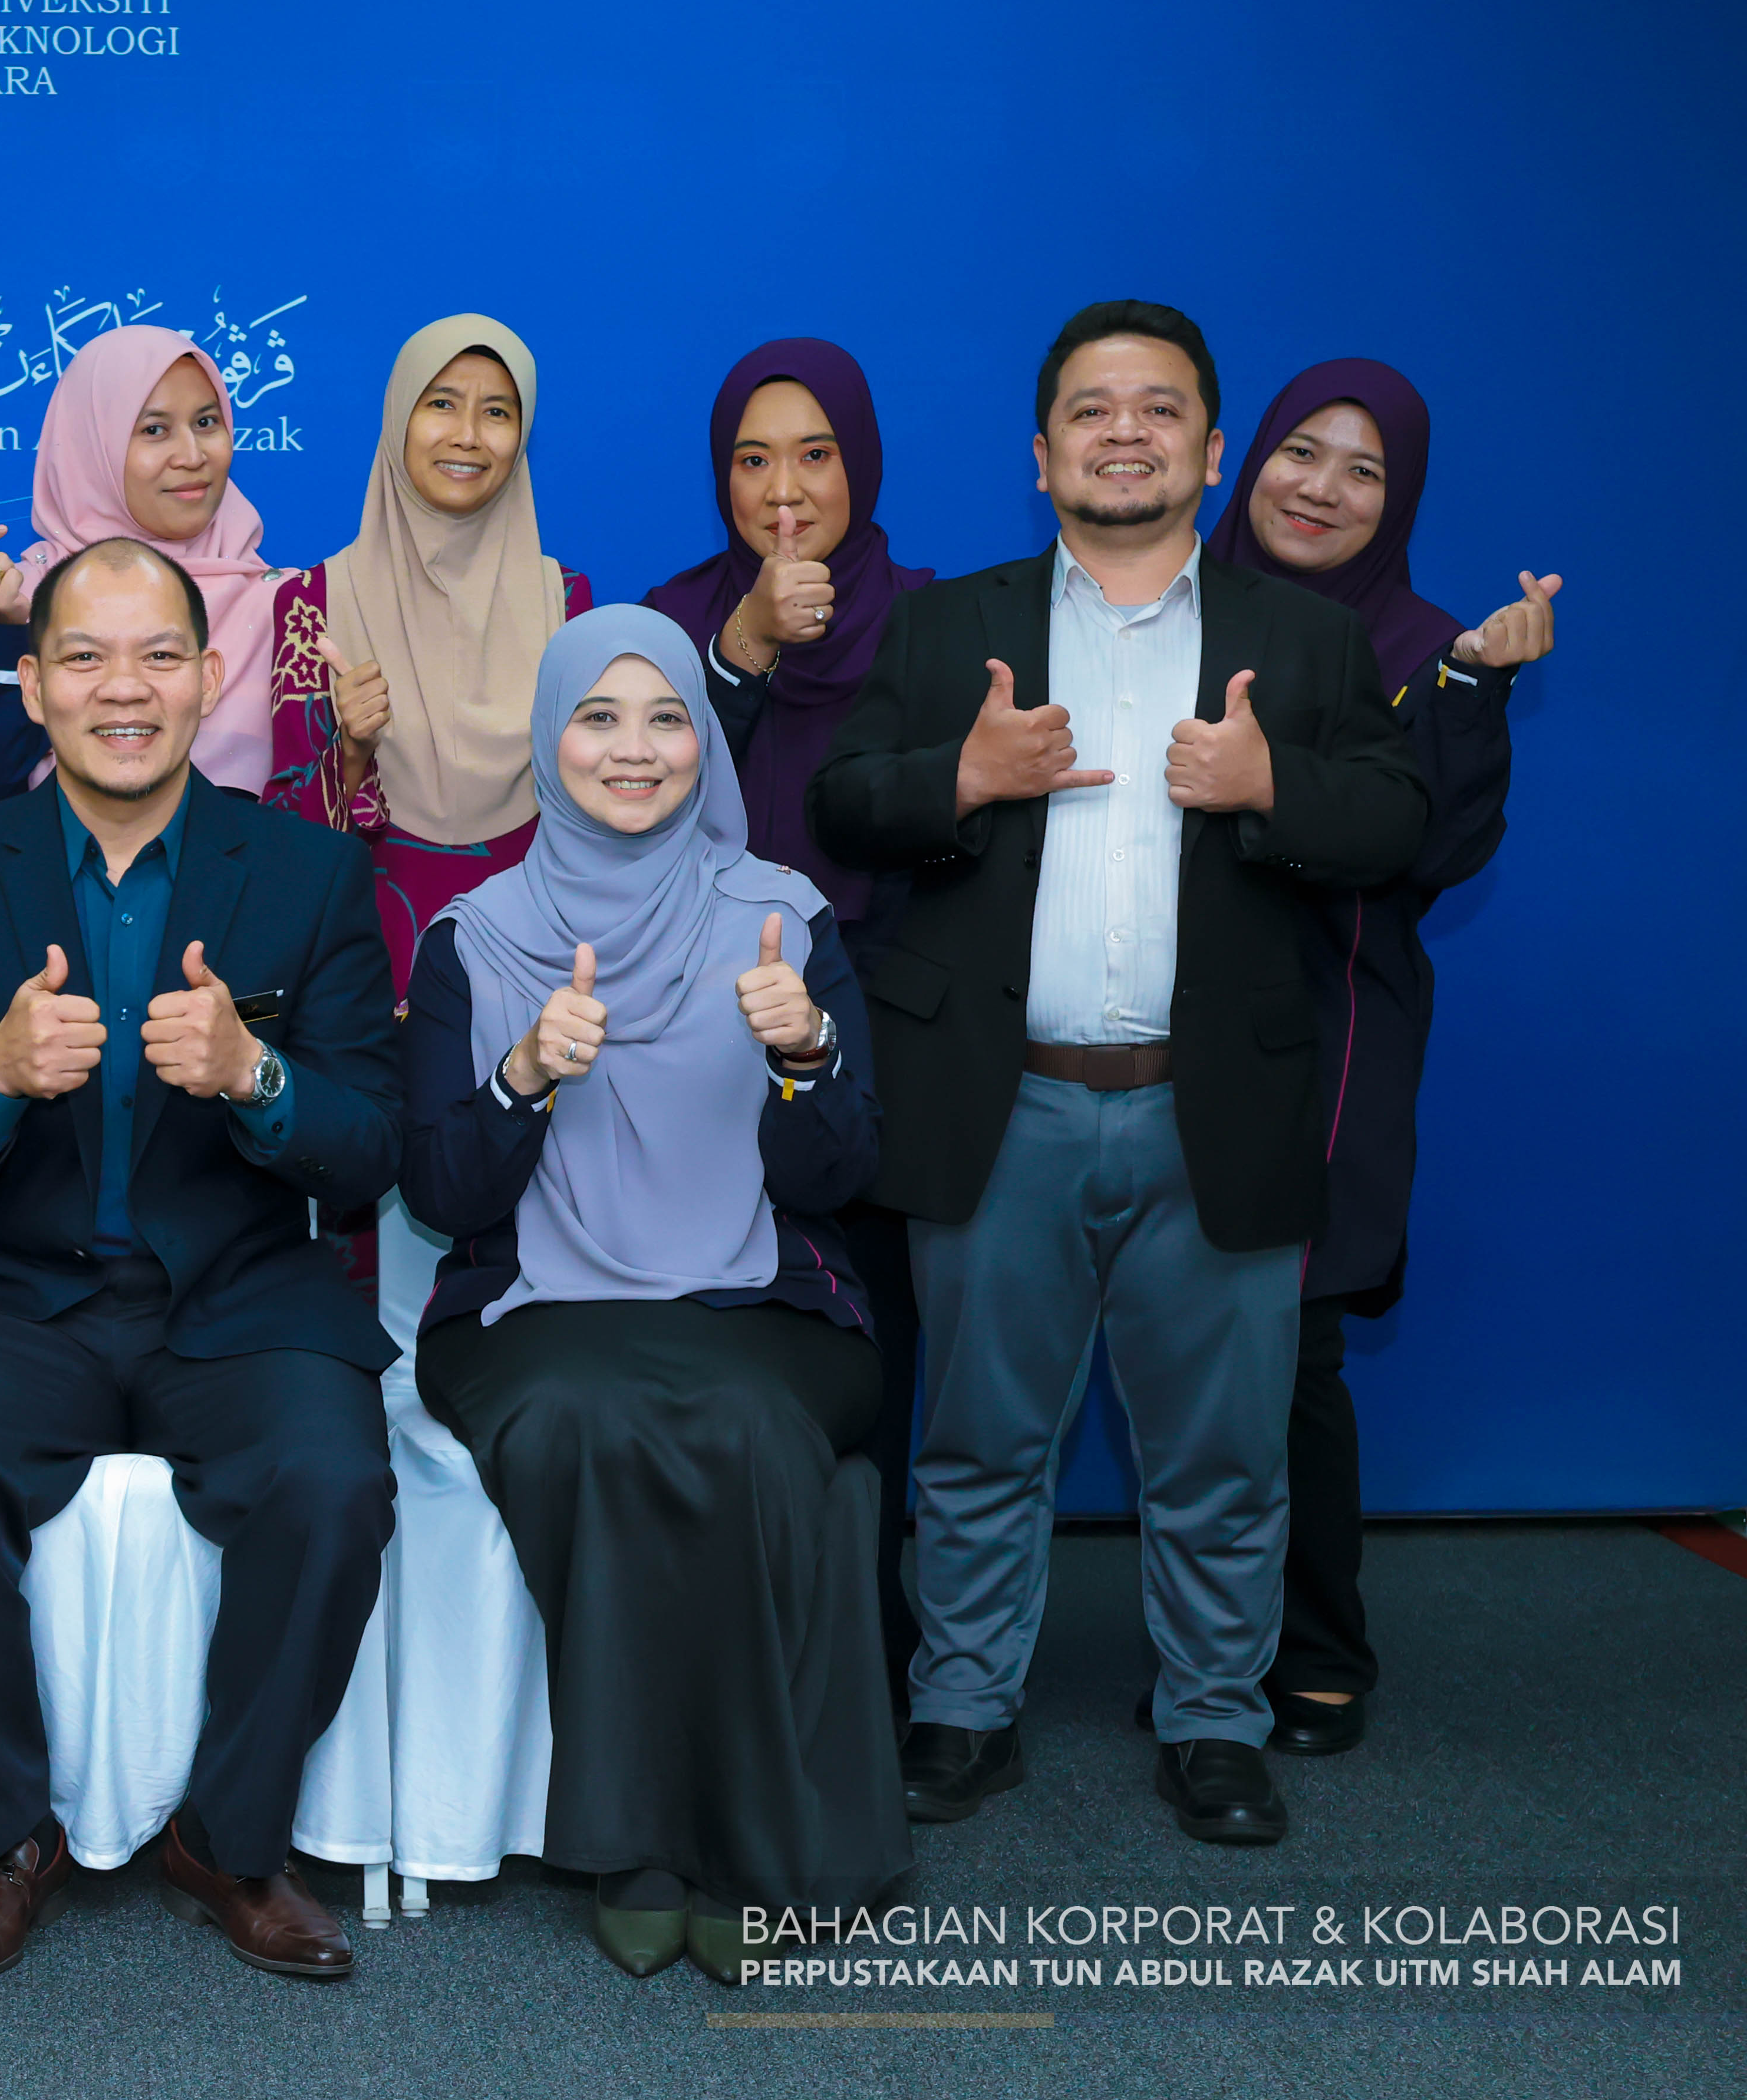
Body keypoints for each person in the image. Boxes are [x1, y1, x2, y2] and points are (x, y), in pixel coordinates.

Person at [809, 301, 1427, 1848]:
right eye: (1093, 409)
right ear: (1042, 455)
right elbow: (844, 801)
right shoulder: (950, 627)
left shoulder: (1307, 640)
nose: (1126, 432)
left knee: (1224, 1454)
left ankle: (1217, 1719)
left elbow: (1395, 823)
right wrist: (964, 776)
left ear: (1211, 453)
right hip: (999, 1100)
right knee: (977, 1442)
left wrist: (1273, 785)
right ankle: (963, 1708)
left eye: (1161, 408)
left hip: (1213, 1105)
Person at [0, 537, 401, 1984]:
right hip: (6, 1295)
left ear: (210, 676)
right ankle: (0, 1841)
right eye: (85, 657)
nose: (124, 688)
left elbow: (368, 1150)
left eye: (158, 655)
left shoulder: (309, 872)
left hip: (238, 1289)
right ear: (34, 685)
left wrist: (254, 1074)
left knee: (334, 1481)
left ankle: (230, 1841)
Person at [406, 606, 903, 1983]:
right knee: (589, 1417)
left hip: (765, 1299)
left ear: (706, 742)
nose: (635, 749)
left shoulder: (781, 917)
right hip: (533, 1307)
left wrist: (806, 1053)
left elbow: (846, 1171)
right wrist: (520, 1078)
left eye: (668, 717)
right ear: (548, 740)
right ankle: (640, 1849)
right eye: (599, 717)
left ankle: (746, 1854)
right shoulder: (474, 937)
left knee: (737, 1421)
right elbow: (441, 1190)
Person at [1202, 358, 1557, 1756]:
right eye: (1302, 452)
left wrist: (1474, 684)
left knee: (1287, 1358)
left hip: (1325, 1034)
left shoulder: (1424, 645)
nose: (1323, 488)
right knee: (1140, 1353)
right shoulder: (1167, 599)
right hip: (1145, 1030)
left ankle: (1315, 1646)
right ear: (1250, 460)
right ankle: (1176, 1644)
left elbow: (1439, 847)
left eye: (1366, 470)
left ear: (1397, 500)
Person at [644, 339, 941, 1704]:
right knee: (709, 1353)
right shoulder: (675, 621)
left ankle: (861, 1654)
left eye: (814, 454)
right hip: (694, 1039)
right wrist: (743, 649)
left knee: (866, 1348)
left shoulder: (933, 621)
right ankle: (707, 1654)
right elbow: (641, 804)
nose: (783, 488)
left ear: (860, 462)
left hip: (876, 1037)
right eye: (753, 458)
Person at [265, 314, 588, 987]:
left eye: (496, 412)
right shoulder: (312, 603)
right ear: (398, 418)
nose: (468, 435)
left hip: (535, 970)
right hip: (365, 971)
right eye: (441, 403)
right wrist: (351, 750)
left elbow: (596, 822)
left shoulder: (564, 603)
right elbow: (280, 850)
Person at [0, 327, 289, 824]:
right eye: (154, 430)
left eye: (206, 422)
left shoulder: (291, 607)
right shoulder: (12, 598)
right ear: (90, 447)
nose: (193, 456)